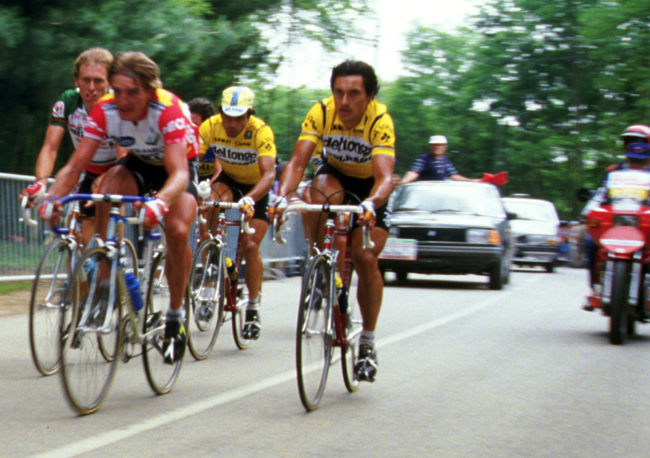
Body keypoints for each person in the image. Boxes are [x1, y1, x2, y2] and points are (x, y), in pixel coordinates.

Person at [39, 51, 199, 364]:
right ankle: (103, 275)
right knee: (108, 188)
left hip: (175, 165)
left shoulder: (167, 110)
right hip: (140, 161)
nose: (123, 100)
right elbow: (75, 165)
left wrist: (160, 203)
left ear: (150, 92)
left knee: (178, 232)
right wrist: (53, 197)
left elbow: (179, 173)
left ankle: (175, 318)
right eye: (118, 91)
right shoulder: (105, 110)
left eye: (133, 93)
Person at [273, 60, 395, 382]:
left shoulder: (380, 120)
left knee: (365, 258)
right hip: (336, 176)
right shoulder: (321, 112)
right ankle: (321, 262)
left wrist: (371, 203)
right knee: (320, 194)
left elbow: (384, 177)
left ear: (369, 96)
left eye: (354, 94)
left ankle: (367, 340)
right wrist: (280, 196)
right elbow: (298, 162)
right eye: (339, 92)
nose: (344, 101)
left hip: (371, 188)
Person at [20, 47, 121, 245]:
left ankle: (115, 259)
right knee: (77, 238)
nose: (91, 87)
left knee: (107, 234)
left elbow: (124, 155)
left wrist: (110, 178)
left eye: (98, 80)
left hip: (118, 167)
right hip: (86, 168)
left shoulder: (117, 104)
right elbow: (50, 148)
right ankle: (76, 275)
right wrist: (40, 182)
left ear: (109, 82)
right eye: (86, 80)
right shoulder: (68, 102)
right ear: (76, 80)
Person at [198, 86, 277, 340]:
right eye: (227, 117)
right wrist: (200, 187)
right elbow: (202, 163)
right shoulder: (210, 127)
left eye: (238, 117)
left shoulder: (260, 131)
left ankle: (253, 306)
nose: (231, 124)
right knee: (211, 202)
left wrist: (251, 198)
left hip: (257, 188)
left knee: (250, 244)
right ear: (220, 113)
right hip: (230, 180)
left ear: (248, 115)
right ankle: (211, 277)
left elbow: (269, 174)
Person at [582, 124, 650, 308]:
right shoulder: (613, 171)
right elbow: (600, 195)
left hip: (645, 222)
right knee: (591, 244)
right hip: (616, 222)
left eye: (638, 141)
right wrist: (588, 211)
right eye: (629, 141)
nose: (633, 145)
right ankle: (596, 288)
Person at [400, 135, 478, 184]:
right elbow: (414, 172)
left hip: (441, 189)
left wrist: (470, 181)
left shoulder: (445, 160)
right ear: (429, 146)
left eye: (440, 145)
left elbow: (453, 175)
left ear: (445, 147)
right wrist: (404, 181)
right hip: (426, 190)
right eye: (434, 145)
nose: (437, 147)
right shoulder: (424, 159)